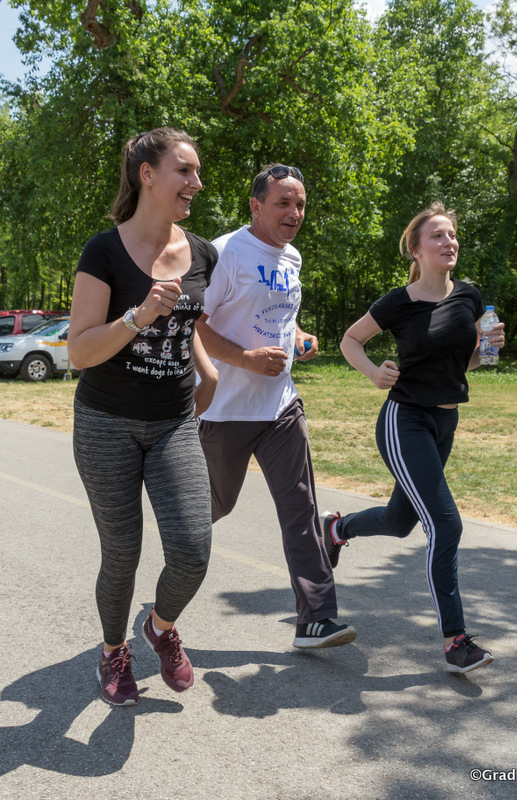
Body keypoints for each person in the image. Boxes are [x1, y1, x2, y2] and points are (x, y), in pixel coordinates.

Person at [320, 201, 504, 674]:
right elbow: (350, 340)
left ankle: (335, 530)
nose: (449, 242)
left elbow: (465, 363)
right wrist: (372, 372)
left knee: (400, 520)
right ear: (416, 250)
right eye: (437, 235)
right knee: (446, 525)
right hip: (405, 421)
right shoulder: (397, 302)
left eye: (452, 234)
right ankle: (456, 641)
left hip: (445, 422)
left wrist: (488, 349)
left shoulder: (469, 297)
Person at [68, 127, 218, 706]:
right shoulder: (103, 251)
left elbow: (188, 322)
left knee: (192, 550)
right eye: (185, 170)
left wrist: (207, 370)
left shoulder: (202, 252)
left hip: (174, 420)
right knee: (122, 553)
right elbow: (79, 351)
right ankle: (114, 650)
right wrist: (137, 315)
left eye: (197, 171)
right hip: (106, 422)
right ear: (147, 175)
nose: (196, 182)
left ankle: (159, 626)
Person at [196, 163, 356, 649]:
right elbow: (193, 325)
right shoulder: (225, 253)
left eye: (300, 204)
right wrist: (245, 358)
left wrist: (299, 337)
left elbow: (282, 317)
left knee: (301, 508)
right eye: (283, 203)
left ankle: (316, 619)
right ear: (256, 205)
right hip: (225, 410)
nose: (294, 213)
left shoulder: (293, 258)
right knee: (214, 504)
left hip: (281, 405)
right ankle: (179, 537)